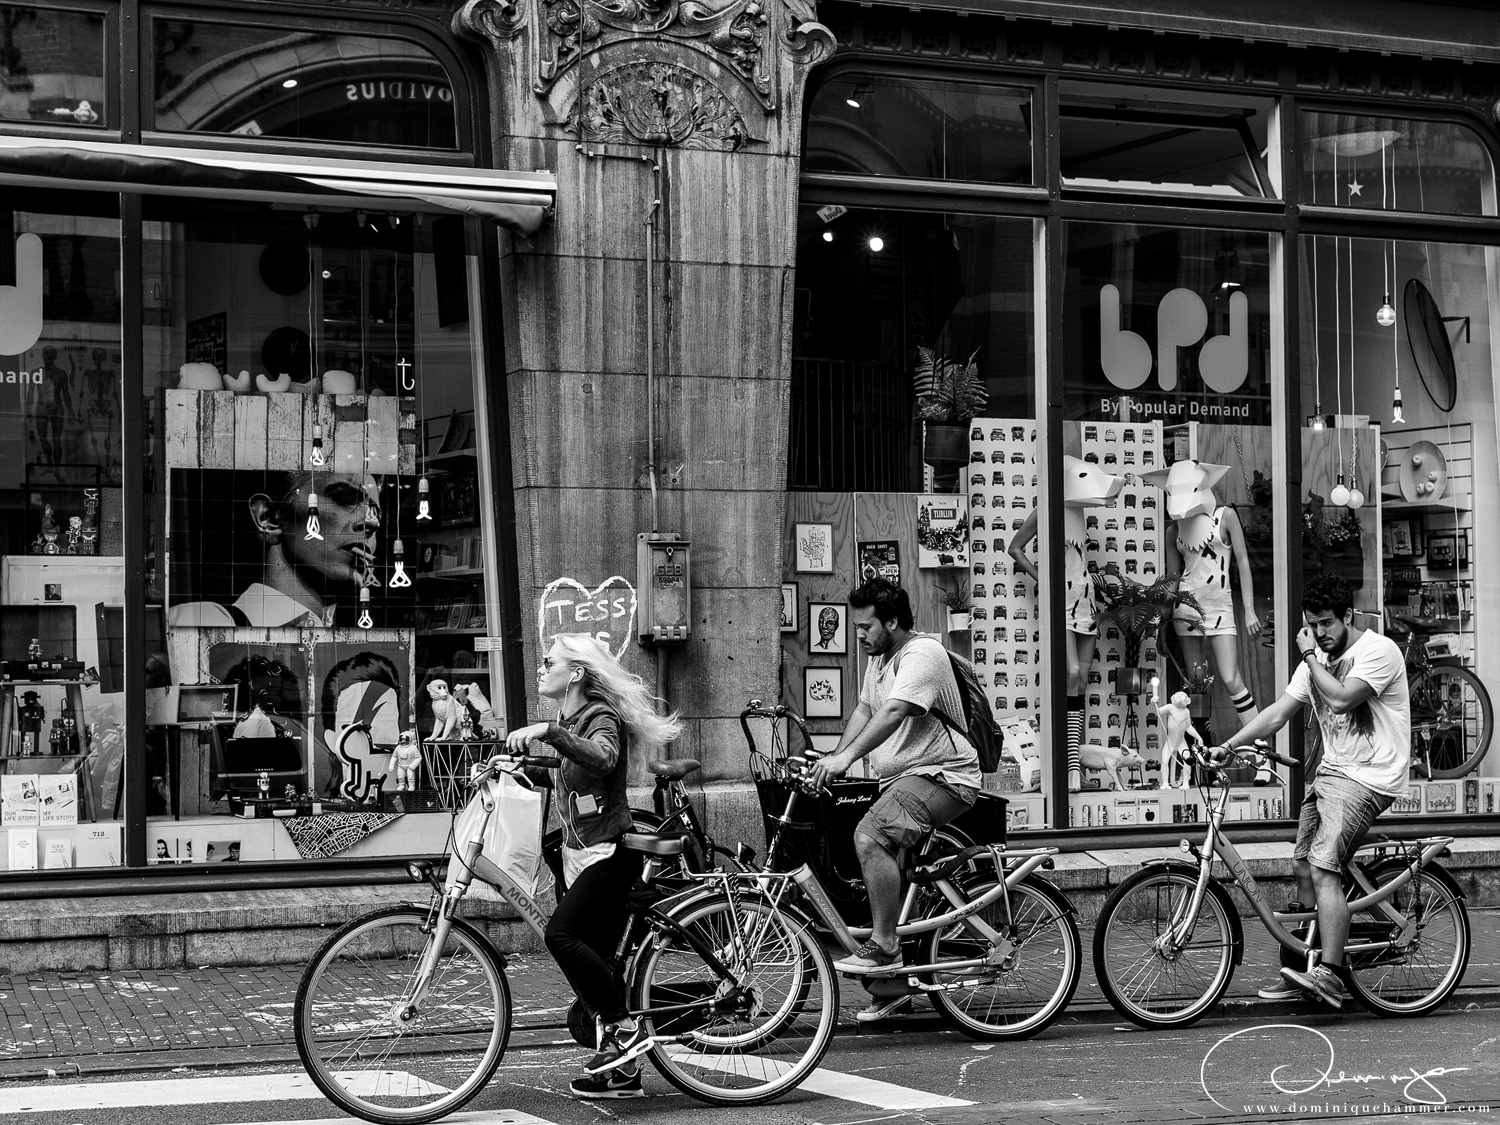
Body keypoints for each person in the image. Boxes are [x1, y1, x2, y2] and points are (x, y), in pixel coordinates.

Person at [1212, 576, 1409, 1009]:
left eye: (1326, 624)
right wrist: (1228, 746)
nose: (1319, 634)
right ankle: (1304, 966)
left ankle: (1334, 975)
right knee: (1302, 867)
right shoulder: (1316, 659)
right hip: (1332, 773)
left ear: (1348, 616)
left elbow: (1340, 700)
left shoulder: (1378, 651)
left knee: (1323, 870)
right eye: (1312, 625)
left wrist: (1307, 654)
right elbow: (1278, 713)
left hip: (1370, 777)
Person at [504, 634, 682, 1099]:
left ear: (576, 673)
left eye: (550, 662)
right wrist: (523, 766)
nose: (541, 669)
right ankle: (623, 1076)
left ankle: (625, 1028)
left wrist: (548, 733)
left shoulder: (599, 717)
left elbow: (602, 759)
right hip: (577, 853)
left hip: (608, 853)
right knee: (601, 963)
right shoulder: (570, 717)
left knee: (560, 936)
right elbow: (568, 773)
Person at [805, 578, 981, 1011]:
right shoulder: (879, 659)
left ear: (894, 621)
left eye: (866, 627)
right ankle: (893, 991)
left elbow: (896, 709)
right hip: (903, 781)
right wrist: (837, 757)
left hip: (945, 777)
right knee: (878, 873)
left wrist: (844, 760)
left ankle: (885, 947)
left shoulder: (921, 653)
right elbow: (866, 709)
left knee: (870, 838)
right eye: (857, 627)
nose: (859, 635)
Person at [169, 469, 381, 628]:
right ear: (269, 518)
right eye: (344, 498)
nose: (373, 523)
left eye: (376, 512)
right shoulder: (204, 622)